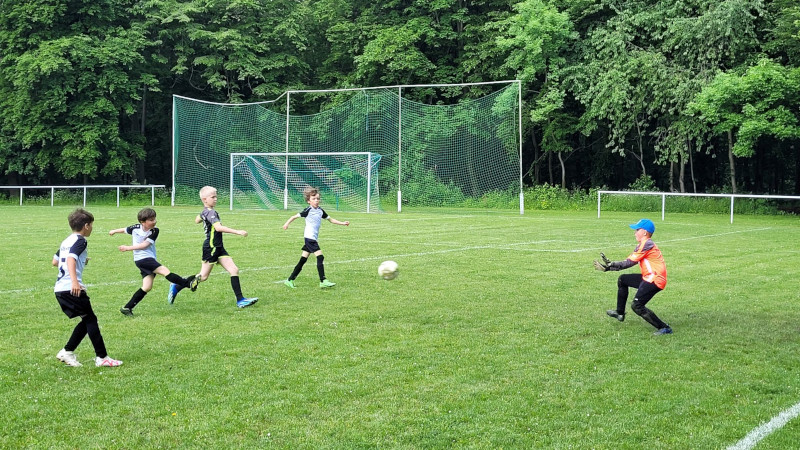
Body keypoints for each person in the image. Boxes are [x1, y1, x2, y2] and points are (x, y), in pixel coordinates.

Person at [53, 208, 123, 367]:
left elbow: (56, 261)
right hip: (70, 288)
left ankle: (67, 351)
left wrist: (81, 261)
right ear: (86, 225)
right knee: (90, 319)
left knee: (87, 319)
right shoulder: (80, 240)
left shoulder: (66, 241)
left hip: (60, 288)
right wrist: (74, 282)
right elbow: (70, 259)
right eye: (91, 225)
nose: (92, 228)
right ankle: (102, 357)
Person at [109, 208, 198, 316]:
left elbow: (145, 245)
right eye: (151, 220)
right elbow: (125, 230)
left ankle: (127, 307)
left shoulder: (155, 231)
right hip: (144, 259)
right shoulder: (135, 227)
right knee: (165, 271)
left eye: (154, 218)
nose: (154, 221)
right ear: (143, 222)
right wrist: (114, 231)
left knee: (147, 286)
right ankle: (187, 283)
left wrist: (127, 247)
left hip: (144, 260)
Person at [594, 218, 672, 335]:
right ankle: (620, 313)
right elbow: (629, 262)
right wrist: (608, 268)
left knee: (637, 306)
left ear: (645, 232)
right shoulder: (642, 245)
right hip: (649, 277)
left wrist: (611, 265)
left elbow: (629, 262)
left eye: (637, 229)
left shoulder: (647, 244)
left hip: (655, 279)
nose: (635, 232)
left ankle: (665, 328)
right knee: (623, 280)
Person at [192, 186, 258, 308]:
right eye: (213, 197)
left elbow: (197, 220)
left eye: (216, 196)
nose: (216, 199)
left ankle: (240, 300)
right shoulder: (210, 212)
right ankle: (178, 285)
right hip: (211, 247)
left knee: (234, 270)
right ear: (204, 199)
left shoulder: (205, 211)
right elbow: (218, 228)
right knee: (204, 276)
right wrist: (237, 231)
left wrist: (202, 217)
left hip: (218, 247)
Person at [283, 186, 349, 288]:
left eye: (318, 198)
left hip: (312, 238)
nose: (316, 200)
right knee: (320, 256)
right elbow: (294, 217)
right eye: (314, 199)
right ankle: (323, 281)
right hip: (309, 238)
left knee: (303, 260)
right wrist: (287, 224)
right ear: (309, 201)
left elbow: (331, 220)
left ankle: (290, 279)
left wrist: (343, 223)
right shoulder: (307, 210)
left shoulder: (320, 210)